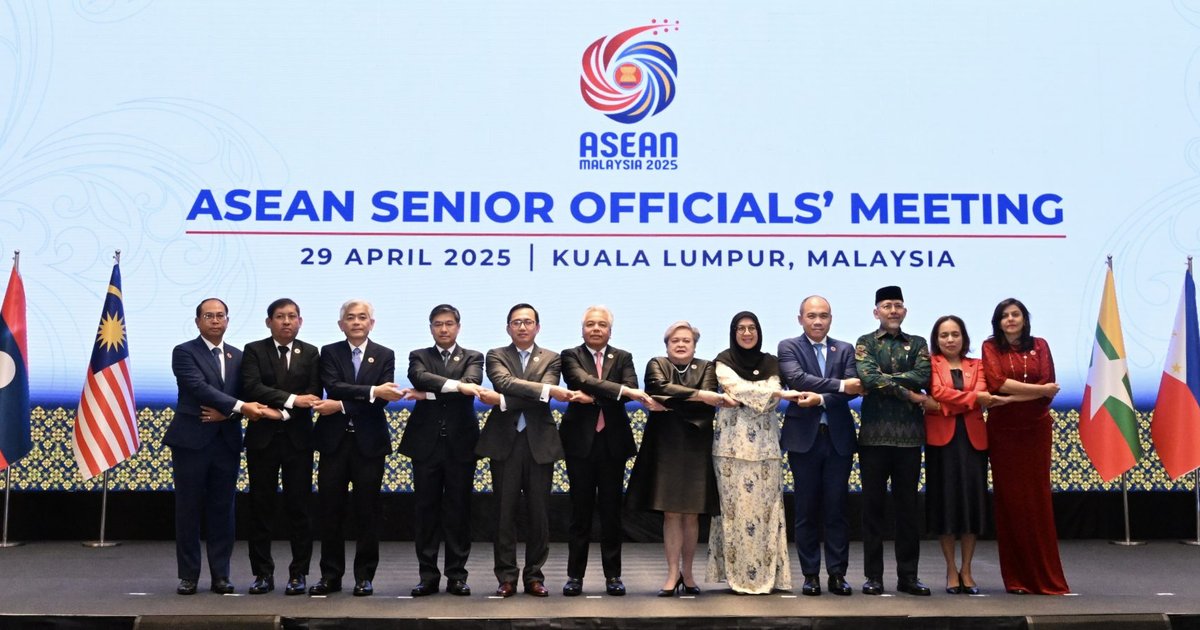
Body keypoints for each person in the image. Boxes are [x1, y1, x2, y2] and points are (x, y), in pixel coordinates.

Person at [165, 298, 270, 595]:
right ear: (197, 321)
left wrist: (230, 411)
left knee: (223, 510)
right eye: (208, 316)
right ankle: (188, 576)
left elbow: (248, 392)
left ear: (227, 320)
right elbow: (197, 388)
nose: (214, 320)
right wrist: (238, 406)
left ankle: (221, 575)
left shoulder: (239, 355)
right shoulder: (184, 352)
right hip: (191, 441)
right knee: (188, 509)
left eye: (220, 315)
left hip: (226, 442)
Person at [559, 306, 664, 597]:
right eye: (590, 324)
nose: (595, 328)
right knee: (579, 514)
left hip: (612, 444)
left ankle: (613, 576)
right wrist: (617, 392)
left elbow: (631, 387)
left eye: (601, 324)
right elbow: (579, 380)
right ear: (583, 329)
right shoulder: (570, 355)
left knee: (611, 514)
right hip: (580, 443)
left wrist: (599, 395)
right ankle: (574, 577)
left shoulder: (624, 357)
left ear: (609, 330)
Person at [475, 303, 574, 598]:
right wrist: (542, 391)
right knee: (503, 514)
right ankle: (506, 576)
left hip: (539, 444)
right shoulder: (495, 355)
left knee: (539, 515)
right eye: (516, 322)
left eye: (528, 322)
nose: (522, 326)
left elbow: (543, 395)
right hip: (504, 443)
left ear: (537, 327)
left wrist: (504, 400)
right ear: (508, 328)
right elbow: (505, 382)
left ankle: (534, 576)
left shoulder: (553, 358)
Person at [626, 321, 731, 597]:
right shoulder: (656, 363)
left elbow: (677, 398)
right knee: (672, 513)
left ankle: (689, 573)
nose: (681, 344)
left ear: (695, 345)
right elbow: (657, 388)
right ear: (667, 345)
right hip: (665, 445)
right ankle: (672, 573)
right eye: (675, 341)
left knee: (692, 513)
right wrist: (697, 396)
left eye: (686, 340)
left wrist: (670, 403)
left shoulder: (707, 366)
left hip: (696, 444)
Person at [309, 299, 405, 597]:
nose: (356, 322)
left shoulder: (384, 354)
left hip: (369, 444)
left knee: (368, 512)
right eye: (350, 318)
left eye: (362, 317)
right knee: (330, 511)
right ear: (342, 324)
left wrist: (340, 405)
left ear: (371, 323)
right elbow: (334, 386)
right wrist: (371, 392)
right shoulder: (329, 352)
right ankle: (330, 576)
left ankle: (365, 576)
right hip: (333, 444)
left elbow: (384, 400)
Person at [707, 311, 803, 595]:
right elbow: (735, 389)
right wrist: (772, 393)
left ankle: (767, 578)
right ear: (733, 332)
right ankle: (737, 578)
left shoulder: (771, 361)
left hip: (765, 451)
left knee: (767, 516)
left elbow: (768, 396)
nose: (747, 333)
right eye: (741, 328)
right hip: (730, 452)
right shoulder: (722, 361)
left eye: (752, 328)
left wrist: (768, 394)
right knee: (733, 516)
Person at [981, 298, 1069, 595]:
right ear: (998, 321)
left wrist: (1022, 396)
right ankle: (1017, 579)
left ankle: (1046, 577)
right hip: (1004, 432)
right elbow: (997, 383)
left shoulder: (1040, 345)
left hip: (1035, 430)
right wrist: (1037, 391)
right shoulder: (990, 346)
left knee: (1038, 500)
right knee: (1011, 503)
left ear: (1024, 318)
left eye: (1015, 314)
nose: (1010, 320)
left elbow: (1050, 389)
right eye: (1004, 316)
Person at [777, 295, 863, 597]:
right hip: (804, 440)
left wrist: (823, 398)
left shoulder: (846, 349)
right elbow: (797, 379)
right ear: (800, 318)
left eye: (823, 316)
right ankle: (810, 575)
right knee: (806, 509)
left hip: (837, 438)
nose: (817, 321)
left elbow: (857, 386)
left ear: (831, 318)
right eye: (811, 315)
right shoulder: (789, 347)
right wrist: (839, 386)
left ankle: (837, 574)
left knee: (837, 510)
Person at [399, 304, 485, 597]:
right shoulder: (418, 356)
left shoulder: (474, 356)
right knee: (426, 511)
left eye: (449, 324)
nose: (444, 329)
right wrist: (450, 387)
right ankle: (427, 576)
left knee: (459, 510)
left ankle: (457, 576)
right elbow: (418, 378)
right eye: (438, 324)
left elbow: (472, 385)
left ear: (458, 327)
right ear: (431, 328)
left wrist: (430, 394)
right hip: (426, 444)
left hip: (461, 444)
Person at [240, 298, 323, 596]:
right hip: (262, 441)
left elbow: (312, 394)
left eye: (292, 317)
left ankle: (298, 573)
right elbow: (251, 388)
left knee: (299, 508)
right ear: (268, 322)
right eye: (280, 316)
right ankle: (262, 574)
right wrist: (290, 402)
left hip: (298, 440)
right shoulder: (254, 350)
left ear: (300, 321)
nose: (286, 322)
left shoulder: (312, 353)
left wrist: (282, 411)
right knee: (260, 508)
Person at [854, 285, 932, 596]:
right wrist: (908, 392)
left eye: (897, 305)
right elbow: (867, 377)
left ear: (905, 311)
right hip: (873, 438)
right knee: (872, 509)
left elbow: (923, 376)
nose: (893, 311)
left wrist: (886, 383)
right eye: (886, 306)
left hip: (909, 439)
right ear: (876, 312)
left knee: (907, 510)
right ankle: (873, 577)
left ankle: (908, 577)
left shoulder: (918, 343)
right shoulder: (865, 343)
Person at [923, 315, 1008, 595]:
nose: (950, 340)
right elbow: (937, 391)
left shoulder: (978, 365)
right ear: (936, 339)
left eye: (955, 334)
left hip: (973, 443)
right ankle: (950, 569)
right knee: (945, 505)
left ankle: (967, 570)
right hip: (941, 442)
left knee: (971, 505)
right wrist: (969, 401)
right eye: (944, 335)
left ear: (963, 337)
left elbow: (980, 393)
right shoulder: (931, 364)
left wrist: (944, 405)